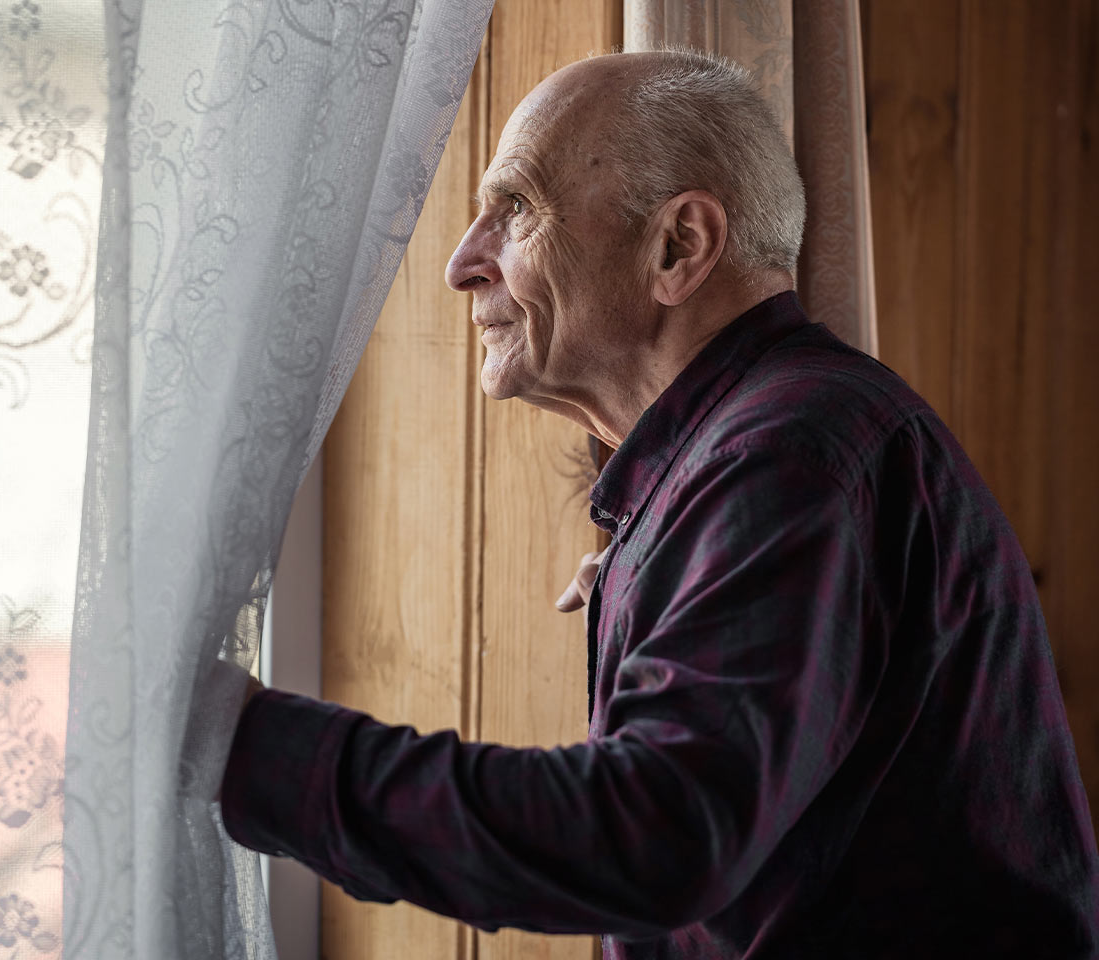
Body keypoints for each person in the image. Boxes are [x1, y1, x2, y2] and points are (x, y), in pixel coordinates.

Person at [219, 49, 1099, 958]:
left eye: (515, 207)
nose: (461, 263)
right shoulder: (748, 455)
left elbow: (651, 835)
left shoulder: (788, 454)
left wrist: (244, 746)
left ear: (678, 245)